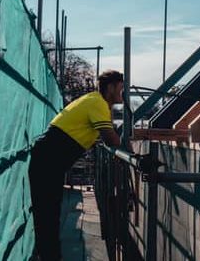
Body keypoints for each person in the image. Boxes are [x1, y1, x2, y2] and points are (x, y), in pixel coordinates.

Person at [28, 70, 123, 261]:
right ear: (111, 87)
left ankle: (48, 256)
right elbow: (111, 138)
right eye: (121, 88)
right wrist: (124, 149)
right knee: (48, 214)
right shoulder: (97, 103)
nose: (123, 93)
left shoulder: (95, 101)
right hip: (47, 161)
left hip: (47, 160)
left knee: (48, 212)